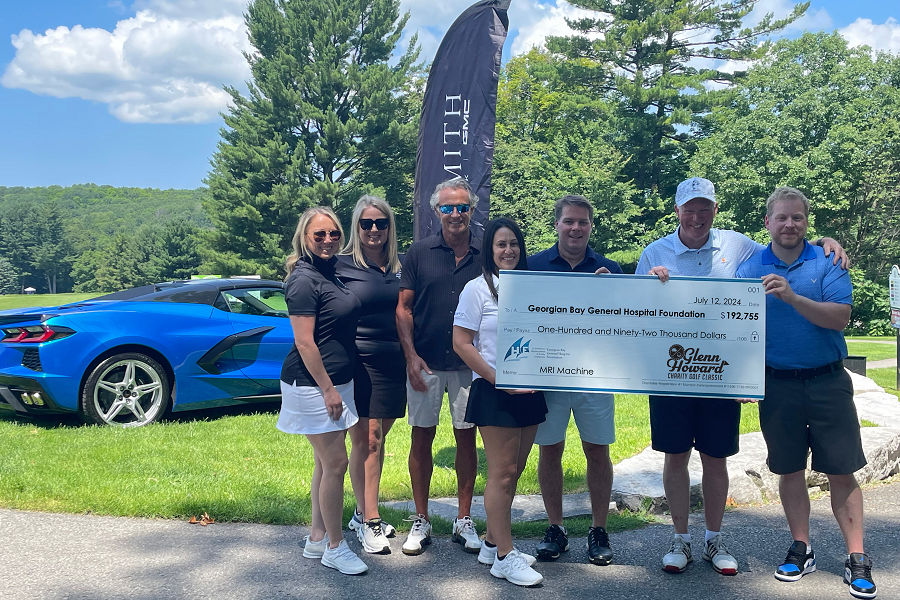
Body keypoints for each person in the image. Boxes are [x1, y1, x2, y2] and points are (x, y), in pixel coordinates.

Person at [637, 177, 848, 576]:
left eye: (704, 209)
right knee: (675, 457)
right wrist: (650, 286)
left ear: (715, 211)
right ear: (677, 211)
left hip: (719, 373)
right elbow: (635, 312)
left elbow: (785, 242)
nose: (697, 216)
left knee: (716, 460)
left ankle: (713, 539)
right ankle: (679, 540)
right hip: (670, 372)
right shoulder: (654, 252)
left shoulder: (738, 246)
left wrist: (824, 242)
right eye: (689, 209)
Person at [736, 187, 875, 599]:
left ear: (806, 222)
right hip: (777, 384)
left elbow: (840, 318)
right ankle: (802, 547)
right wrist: (742, 379)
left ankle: (857, 557)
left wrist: (793, 297)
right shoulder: (749, 268)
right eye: (781, 217)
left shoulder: (827, 261)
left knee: (841, 469)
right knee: (789, 469)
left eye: (797, 217)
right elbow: (734, 327)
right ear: (767, 222)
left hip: (827, 380)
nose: (790, 224)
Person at [527, 195, 622, 566]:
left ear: (591, 226)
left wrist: (611, 295)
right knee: (549, 449)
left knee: (597, 450)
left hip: (594, 376)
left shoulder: (608, 268)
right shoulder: (532, 266)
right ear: (557, 225)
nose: (575, 228)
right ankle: (556, 528)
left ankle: (598, 529)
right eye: (569, 221)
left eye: (582, 222)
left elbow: (623, 326)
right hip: (548, 376)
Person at [453, 217, 547, 587]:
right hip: (494, 392)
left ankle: (492, 544)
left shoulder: (532, 287)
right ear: (489, 251)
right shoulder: (476, 289)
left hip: (531, 390)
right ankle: (506, 558)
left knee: (516, 470)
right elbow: (461, 343)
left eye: (514, 244)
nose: (508, 251)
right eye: (500, 245)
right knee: (502, 473)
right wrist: (499, 380)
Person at [396, 177, 484, 555]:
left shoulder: (486, 253)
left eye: (462, 207)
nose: (455, 214)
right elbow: (403, 308)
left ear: (471, 210)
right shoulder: (418, 253)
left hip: (470, 363)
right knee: (422, 436)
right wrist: (410, 356)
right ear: (436, 211)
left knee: (467, 437)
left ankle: (464, 519)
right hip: (426, 362)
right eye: (448, 207)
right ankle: (422, 518)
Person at [277, 206, 366, 575]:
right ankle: (335, 545)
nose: (328, 240)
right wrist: (328, 389)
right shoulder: (302, 279)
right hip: (314, 384)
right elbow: (305, 343)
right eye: (319, 235)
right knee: (336, 463)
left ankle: (317, 536)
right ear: (305, 237)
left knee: (323, 462)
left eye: (333, 234)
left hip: (336, 381)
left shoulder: (329, 271)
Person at [337, 196, 405, 554]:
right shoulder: (340, 264)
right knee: (369, 439)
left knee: (375, 440)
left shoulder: (400, 265)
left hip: (394, 362)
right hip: (357, 362)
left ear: (390, 226)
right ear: (356, 227)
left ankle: (360, 510)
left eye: (381, 223)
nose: (374, 230)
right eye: (366, 224)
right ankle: (370, 520)